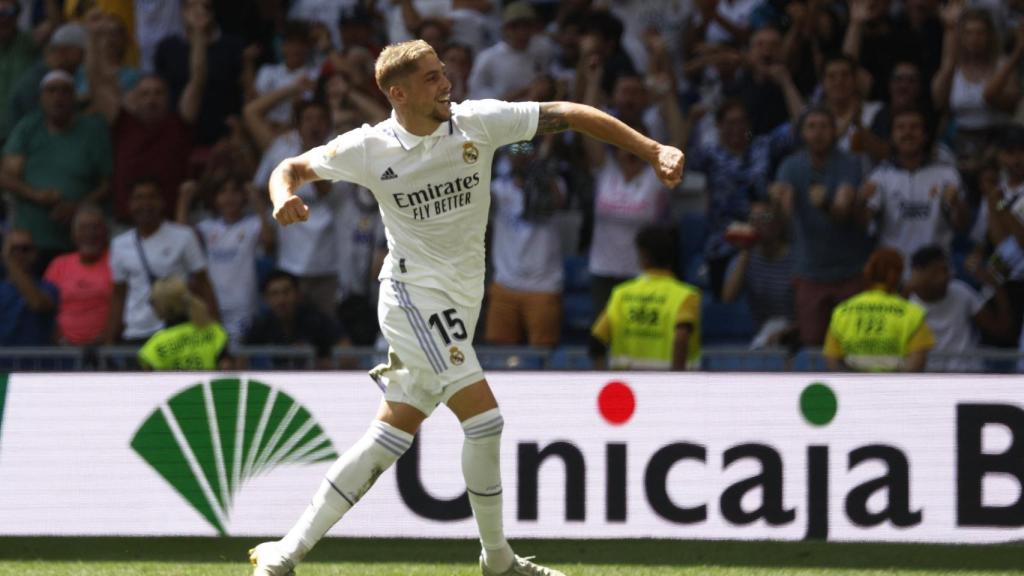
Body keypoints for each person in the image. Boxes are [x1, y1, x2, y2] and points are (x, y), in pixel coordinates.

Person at [249, 39, 683, 576]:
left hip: (460, 301)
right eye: (431, 78)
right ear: (398, 93)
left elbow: (568, 114)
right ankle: (498, 560)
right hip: (411, 296)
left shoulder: (478, 123)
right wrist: (280, 197)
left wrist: (653, 149)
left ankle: (285, 551)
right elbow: (289, 167)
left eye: (443, 72)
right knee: (486, 421)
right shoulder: (369, 147)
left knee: (389, 437)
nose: (446, 83)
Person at [771, 107, 873, 346]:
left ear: (835, 131)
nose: (818, 133)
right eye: (812, 127)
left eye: (825, 126)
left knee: (853, 343)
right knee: (813, 342)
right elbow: (783, 222)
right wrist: (777, 205)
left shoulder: (851, 163)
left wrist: (826, 203)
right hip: (809, 273)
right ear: (802, 133)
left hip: (851, 271)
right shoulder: (790, 166)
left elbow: (842, 213)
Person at [1, 69, 112, 265]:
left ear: (74, 97)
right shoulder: (28, 128)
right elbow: (6, 176)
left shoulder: (93, 131)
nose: (57, 97)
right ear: (41, 97)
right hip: (31, 241)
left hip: (78, 240)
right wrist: (36, 195)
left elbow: (108, 183)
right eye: (51, 91)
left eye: (65, 91)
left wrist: (78, 206)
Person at [108, 179, 217, 344]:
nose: (145, 203)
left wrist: (215, 325)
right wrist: (110, 338)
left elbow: (203, 283)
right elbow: (119, 294)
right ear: (130, 204)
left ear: (161, 202)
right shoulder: (119, 244)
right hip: (136, 332)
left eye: (151, 197)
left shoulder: (184, 236)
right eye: (139, 198)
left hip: (176, 330)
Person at [484, 137, 565, 348]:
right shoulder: (498, 188)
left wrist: (540, 167)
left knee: (544, 352)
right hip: (505, 284)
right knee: (500, 353)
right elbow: (477, 196)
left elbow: (558, 202)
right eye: (515, 148)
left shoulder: (555, 185)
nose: (520, 154)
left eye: (526, 148)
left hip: (543, 286)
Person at [864, 108, 969, 265]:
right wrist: (860, 200)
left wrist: (957, 204)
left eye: (914, 127)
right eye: (901, 128)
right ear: (892, 136)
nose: (908, 133)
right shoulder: (880, 176)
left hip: (935, 270)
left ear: (925, 136)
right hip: (893, 271)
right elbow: (863, 223)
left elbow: (961, 226)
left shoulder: (947, 174)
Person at [590, 225, 701, 370]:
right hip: (666, 387)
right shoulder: (686, 295)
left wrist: (602, 377)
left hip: (628, 387)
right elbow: (681, 338)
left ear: (643, 256)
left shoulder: (621, 294)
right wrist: (676, 380)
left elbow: (596, 342)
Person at [824, 248, 935, 372]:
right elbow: (915, 364)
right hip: (895, 389)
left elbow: (832, 360)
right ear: (898, 276)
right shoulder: (912, 314)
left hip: (855, 389)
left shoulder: (841, 312)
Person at [906, 244, 1010, 371]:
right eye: (936, 272)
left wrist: (995, 285)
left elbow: (1001, 330)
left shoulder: (961, 291)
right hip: (929, 376)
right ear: (920, 274)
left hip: (966, 373)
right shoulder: (907, 304)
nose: (945, 277)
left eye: (946, 270)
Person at [721, 199, 796, 349]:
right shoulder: (745, 257)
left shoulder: (797, 259)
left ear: (778, 225)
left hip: (797, 334)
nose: (757, 223)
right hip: (764, 334)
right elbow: (728, 297)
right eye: (753, 218)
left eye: (765, 218)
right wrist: (745, 250)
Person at [244, 270, 342, 370]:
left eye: (286, 292)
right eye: (274, 294)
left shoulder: (317, 320)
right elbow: (241, 357)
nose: (281, 300)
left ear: (297, 294)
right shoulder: (261, 323)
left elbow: (346, 352)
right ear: (266, 299)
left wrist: (320, 365)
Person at [42, 203, 112, 345]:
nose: (90, 234)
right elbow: (46, 307)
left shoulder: (116, 262)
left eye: (95, 227)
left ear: (105, 232)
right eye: (83, 228)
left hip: (105, 348)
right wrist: (59, 339)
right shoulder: (59, 265)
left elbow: (124, 306)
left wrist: (105, 339)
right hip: (63, 348)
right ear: (73, 235)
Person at [138, 276, 229, 370]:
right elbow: (226, 371)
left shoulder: (153, 348)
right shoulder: (215, 332)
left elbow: (148, 382)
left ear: (162, 307)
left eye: (152, 301)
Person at [0, 229, 57, 346]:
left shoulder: (49, 288)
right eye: (14, 249)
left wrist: (9, 261)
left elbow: (38, 304)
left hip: (39, 362)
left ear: (35, 253)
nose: (19, 254)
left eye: (25, 249)